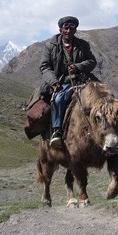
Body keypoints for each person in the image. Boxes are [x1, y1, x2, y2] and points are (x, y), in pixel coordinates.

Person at [40, 16, 97, 149]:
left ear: (75, 29)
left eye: (72, 27)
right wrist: (53, 82)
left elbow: (92, 61)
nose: (68, 30)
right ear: (60, 29)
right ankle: (57, 131)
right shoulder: (50, 46)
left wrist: (78, 67)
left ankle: (111, 127)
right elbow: (45, 66)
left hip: (81, 79)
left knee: (103, 94)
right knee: (59, 99)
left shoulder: (83, 45)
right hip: (60, 81)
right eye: (66, 27)